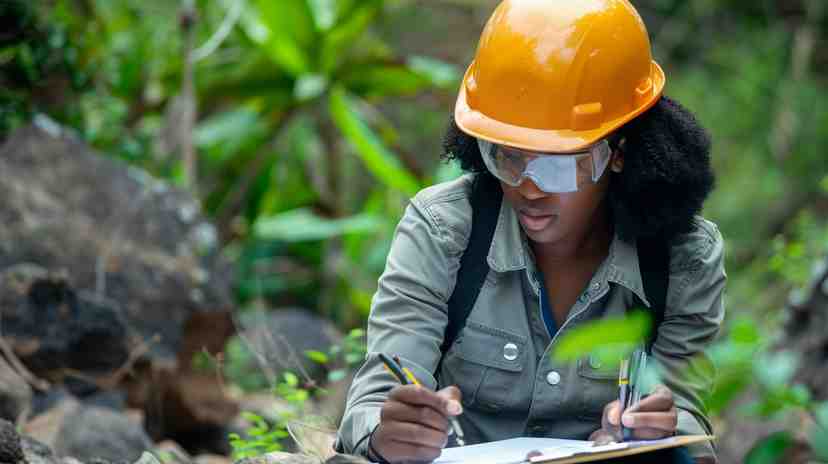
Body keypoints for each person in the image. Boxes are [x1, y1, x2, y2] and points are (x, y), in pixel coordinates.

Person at [335, 0, 725, 463]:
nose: (528, 187)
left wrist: (659, 430)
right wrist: (389, 430)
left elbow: (688, 421)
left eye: (557, 166)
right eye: (508, 157)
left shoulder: (683, 258)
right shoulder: (442, 229)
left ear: (619, 152)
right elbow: (370, 407)